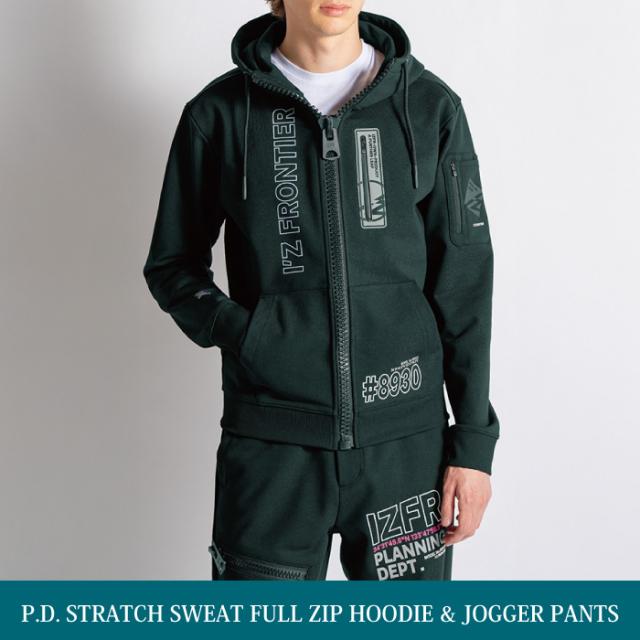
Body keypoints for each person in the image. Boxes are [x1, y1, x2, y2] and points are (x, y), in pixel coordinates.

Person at [143, 0, 499, 581]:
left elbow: (465, 284)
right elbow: (172, 266)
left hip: (407, 450)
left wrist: (474, 444)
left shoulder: (430, 107)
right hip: (272, 448)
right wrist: (252, 337)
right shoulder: (220, 113)